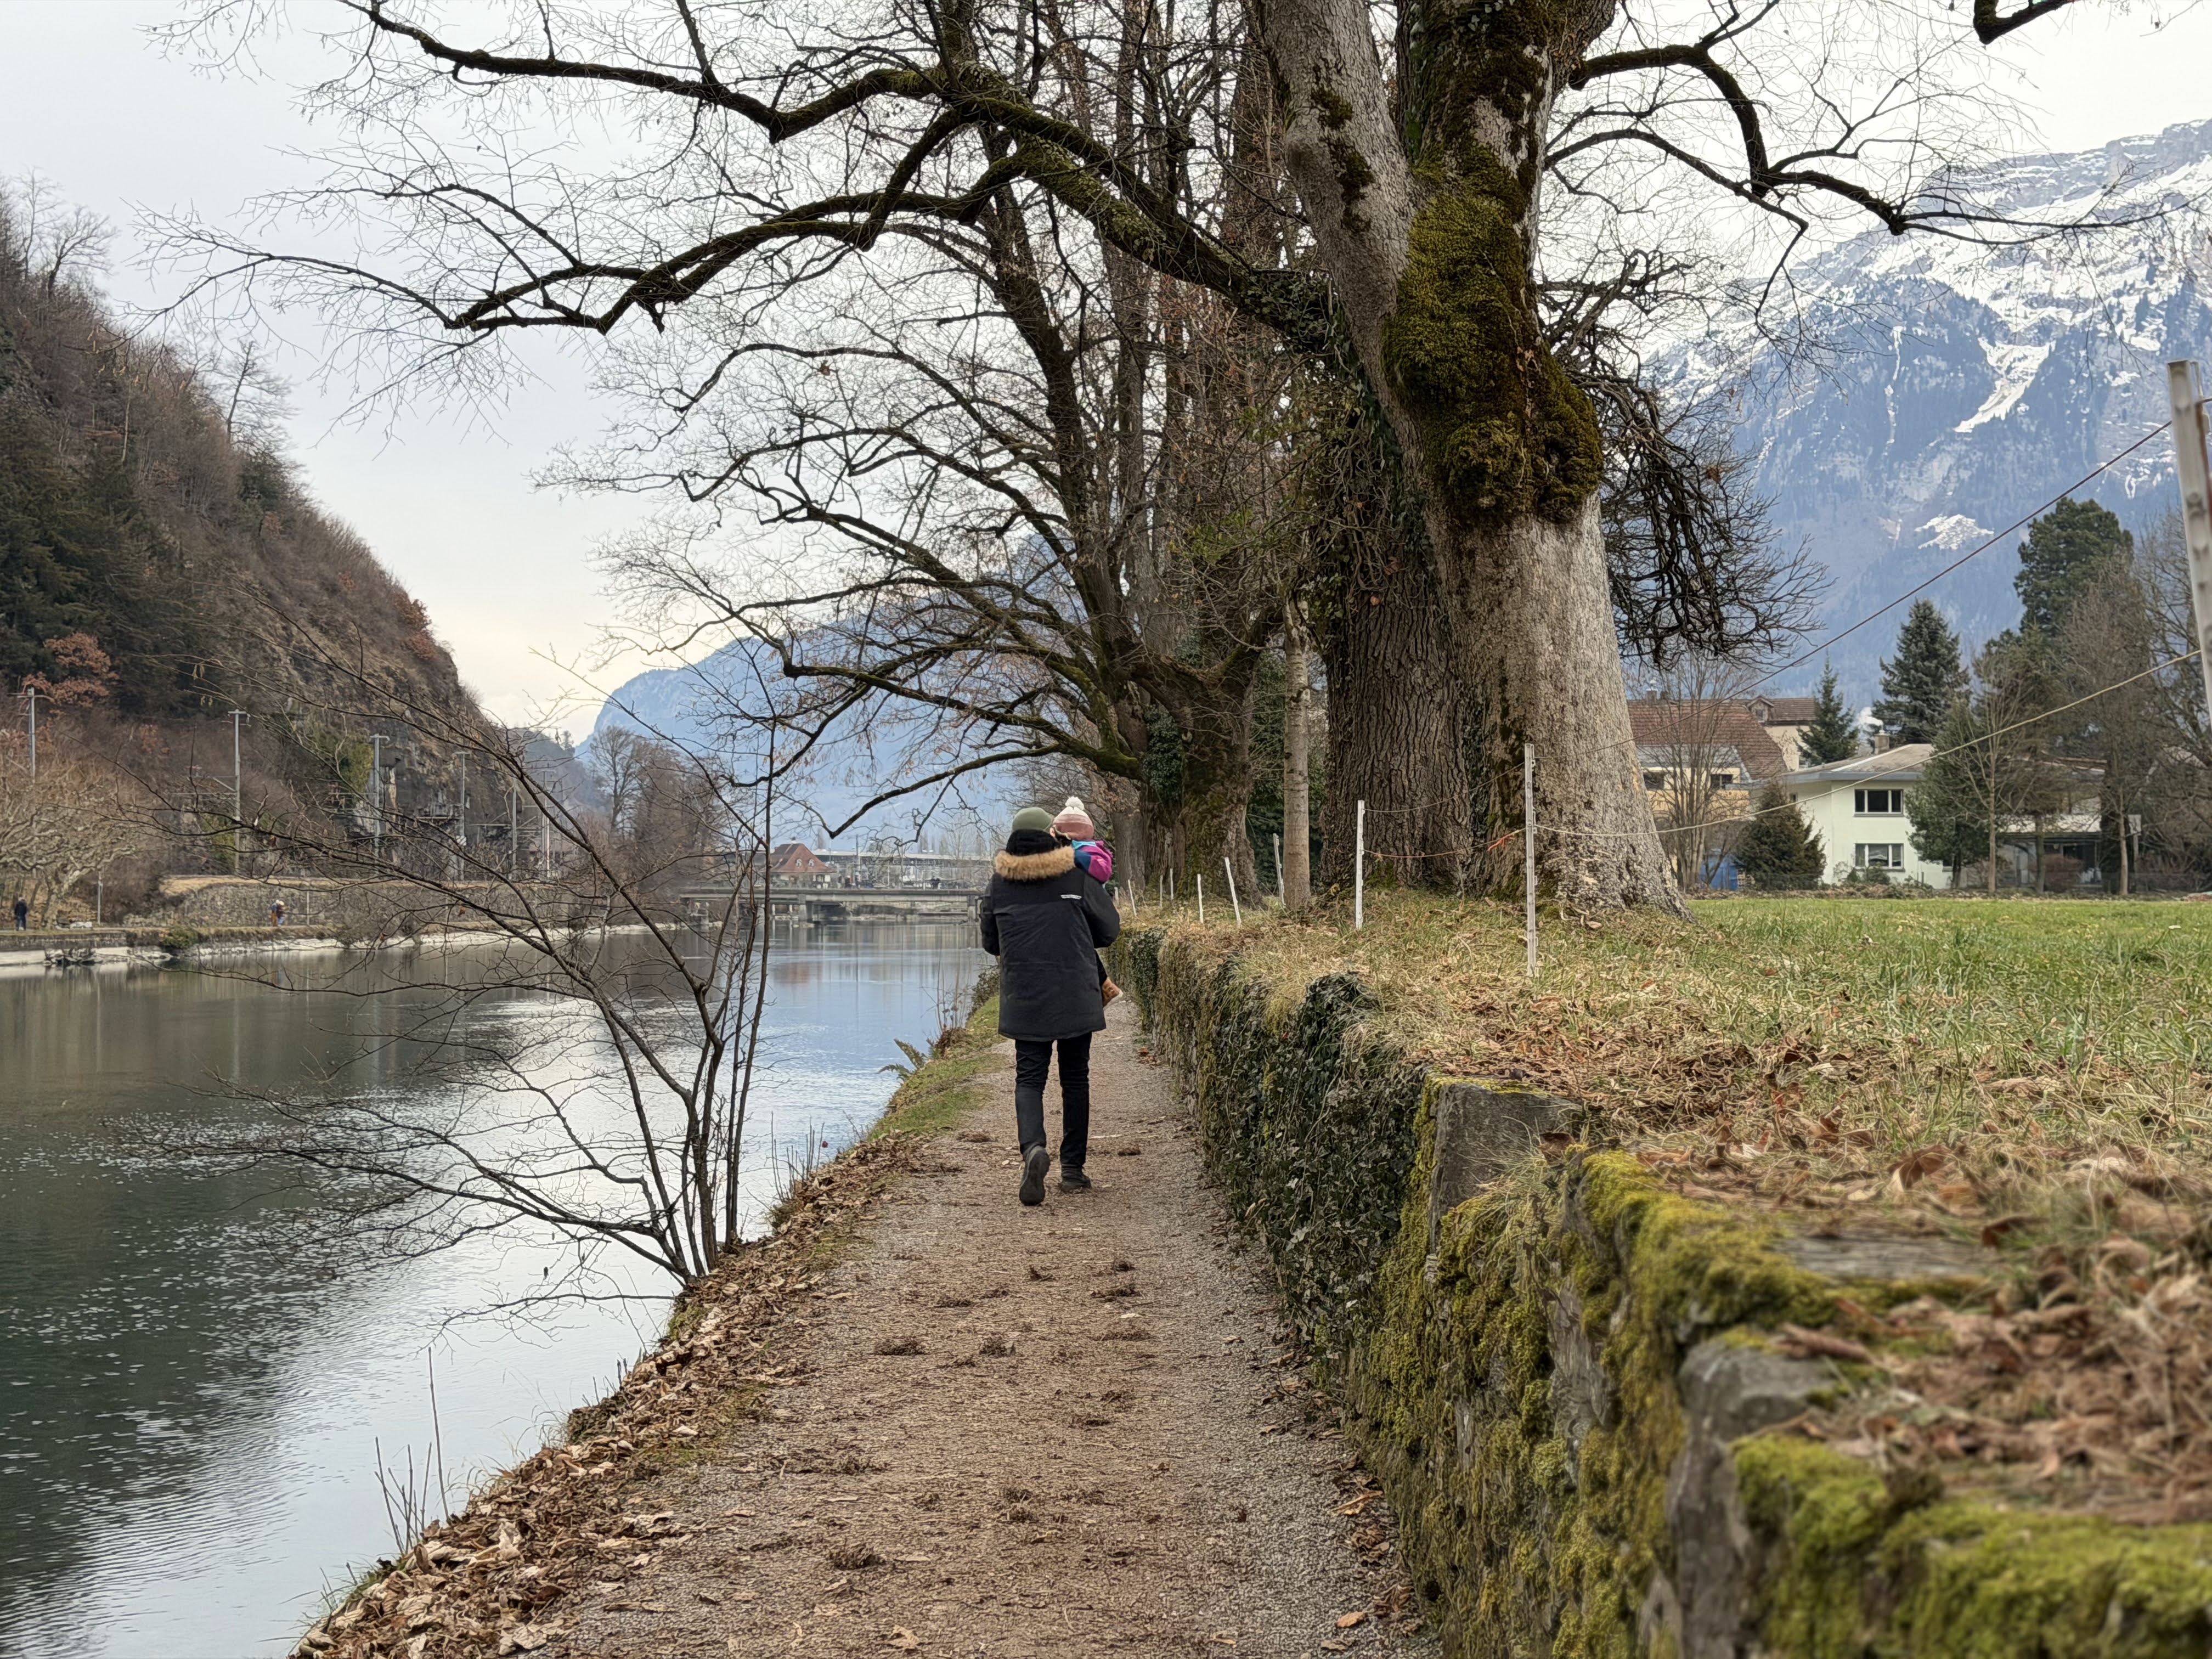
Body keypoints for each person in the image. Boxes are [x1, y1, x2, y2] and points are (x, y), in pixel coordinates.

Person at [980, 805, 1121, 1205]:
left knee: (1029, 1079)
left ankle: (1033, 1150)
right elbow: (1109, 931)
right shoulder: (1075, 876)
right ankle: (1073, 1172)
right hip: (1076, 991)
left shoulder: (998, 884)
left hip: (1024, 995)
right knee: (1075, 1078)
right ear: (1053, 836)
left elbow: (991, 943)